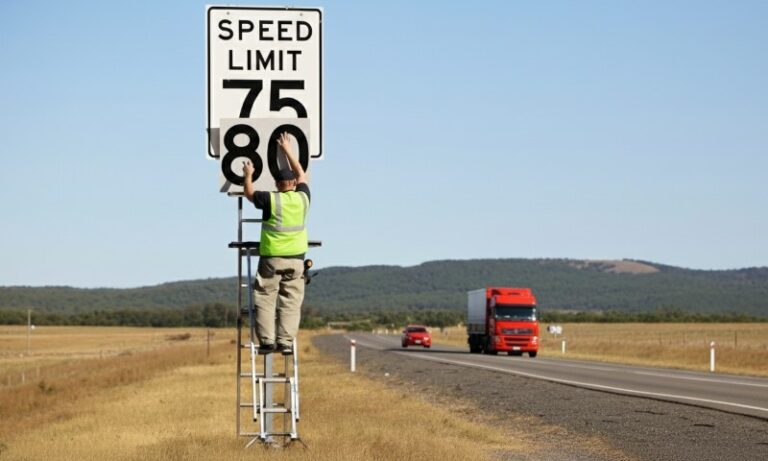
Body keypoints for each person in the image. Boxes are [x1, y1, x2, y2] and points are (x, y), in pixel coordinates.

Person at [242, 132, 310, 355]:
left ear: (276, 183)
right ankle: (286, 342)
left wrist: (248, 174)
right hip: (297, 260)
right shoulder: (303, 198)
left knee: (265, 299)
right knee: (290, 303)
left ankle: (268, 342)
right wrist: (287, 149)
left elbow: (249, 193)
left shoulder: (270, 198)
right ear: (292, 183)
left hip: (271, 259)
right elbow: (302, 174)